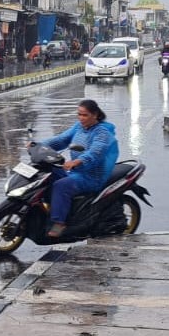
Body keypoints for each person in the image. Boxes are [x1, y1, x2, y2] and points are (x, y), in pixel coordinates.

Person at [34, 99, 119, 239]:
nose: (81, 118)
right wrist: (38, 146)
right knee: (48, 174)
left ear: (95, 115)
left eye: (84, 115)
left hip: (92, 176)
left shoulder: (102, 133)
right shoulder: (79, 127)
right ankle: (53, 208)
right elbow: (61, 140)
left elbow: (95, 152)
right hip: (76, 172)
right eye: (79, 114)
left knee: (61, 186)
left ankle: (59, 222)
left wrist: (78, 161)